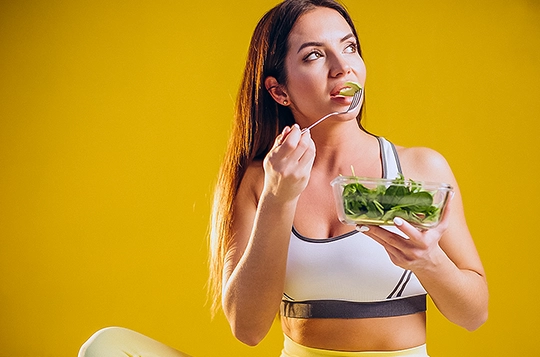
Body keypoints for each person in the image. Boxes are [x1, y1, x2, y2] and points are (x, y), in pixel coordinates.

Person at [78, 1, 487, 356]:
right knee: (105, 347)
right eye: (314, 56)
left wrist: (429, 262)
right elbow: (249, 329)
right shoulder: (261, 182)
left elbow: (474, 314)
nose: (342, 67)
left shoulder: (416, 170)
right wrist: (278, 196)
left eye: (349, 48)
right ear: (279, 91)